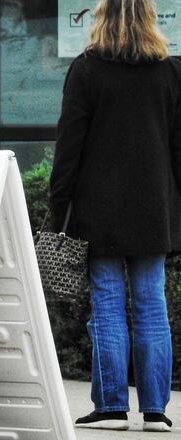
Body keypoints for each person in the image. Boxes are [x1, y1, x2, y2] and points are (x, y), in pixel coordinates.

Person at [51, 0, 178, 432]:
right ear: (149, 18)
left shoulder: (86, 71)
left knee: (106, 306)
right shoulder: (170, 72)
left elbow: (69, 147)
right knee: (151, 307)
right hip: (154, 211)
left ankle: (110, 408)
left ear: (101, 18)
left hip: (97, 209)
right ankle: (157, 410)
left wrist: (57, 210)